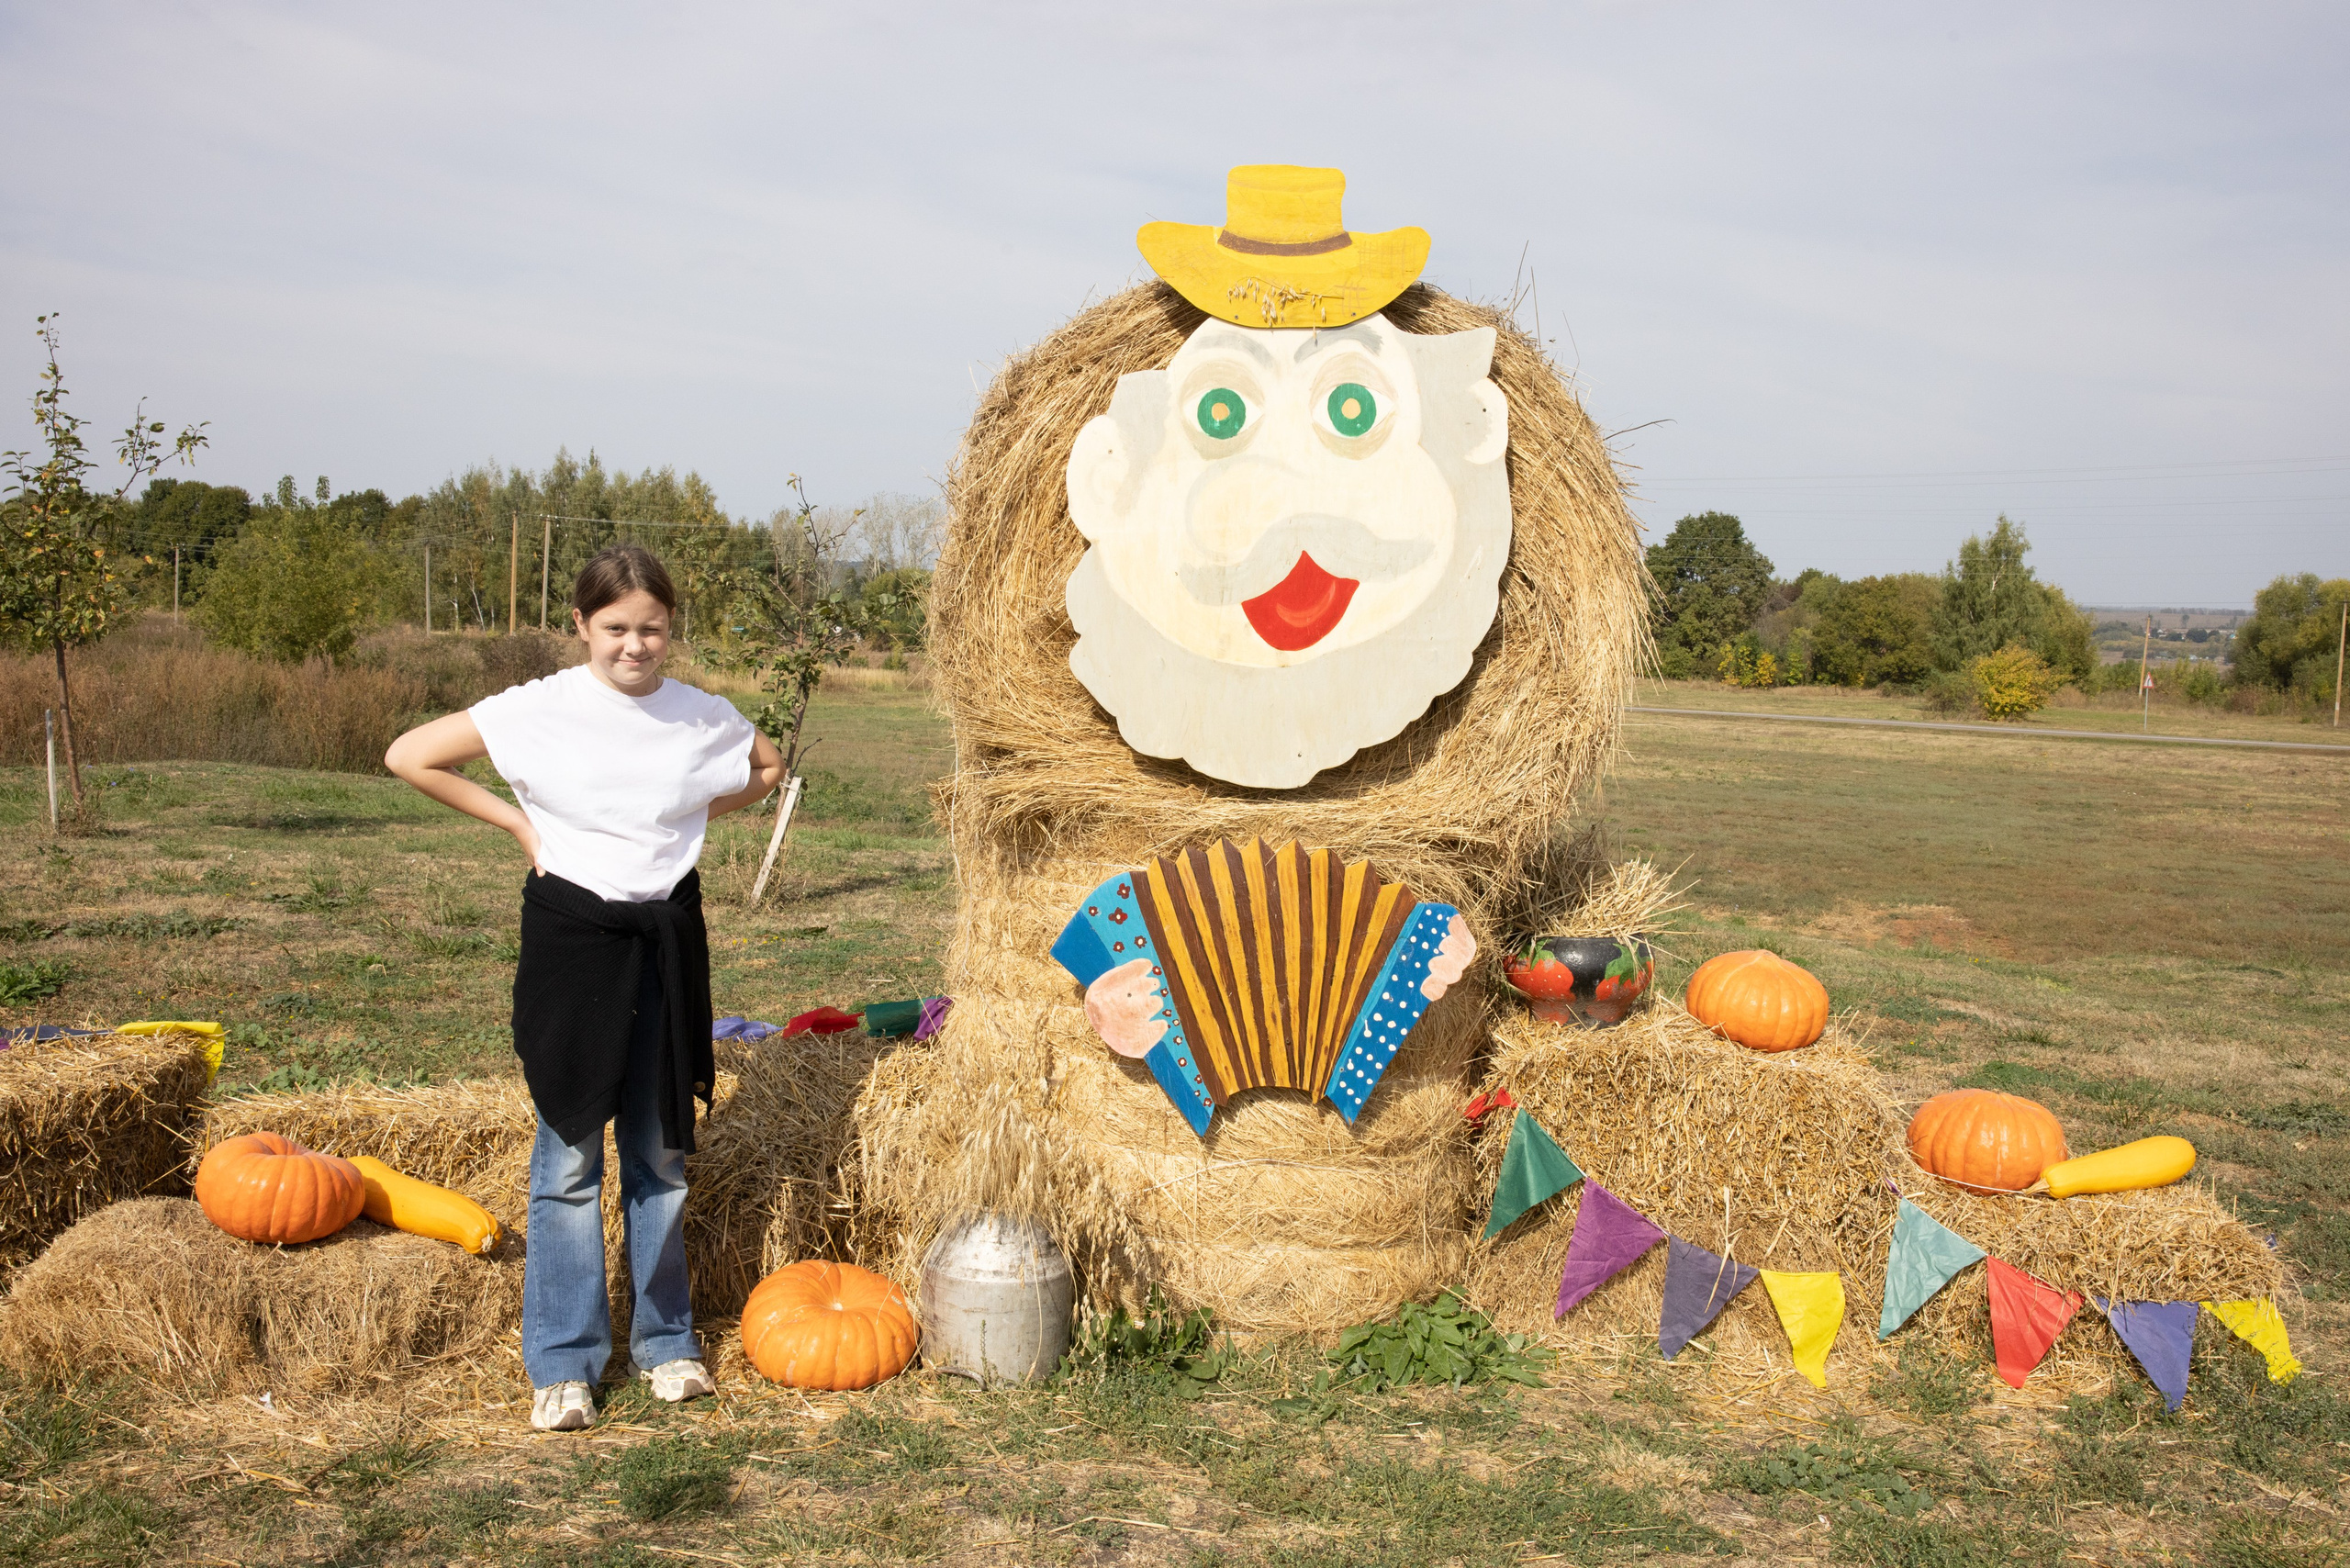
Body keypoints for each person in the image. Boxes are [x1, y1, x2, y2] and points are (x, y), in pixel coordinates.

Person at [385, 544, 783, 1432]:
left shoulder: (700, 715)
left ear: (670, 629)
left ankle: (666, 1343)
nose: (635, 646)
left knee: (659, 1155)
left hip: (665, 942)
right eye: (615, 628)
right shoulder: (538, 709)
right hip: (573, 943)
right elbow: (410, 755)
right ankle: (563, 1362)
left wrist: (689, 812)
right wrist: (519, 825)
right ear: (580, 625)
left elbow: (768, 766)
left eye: (652, 629)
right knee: (567, 1158)